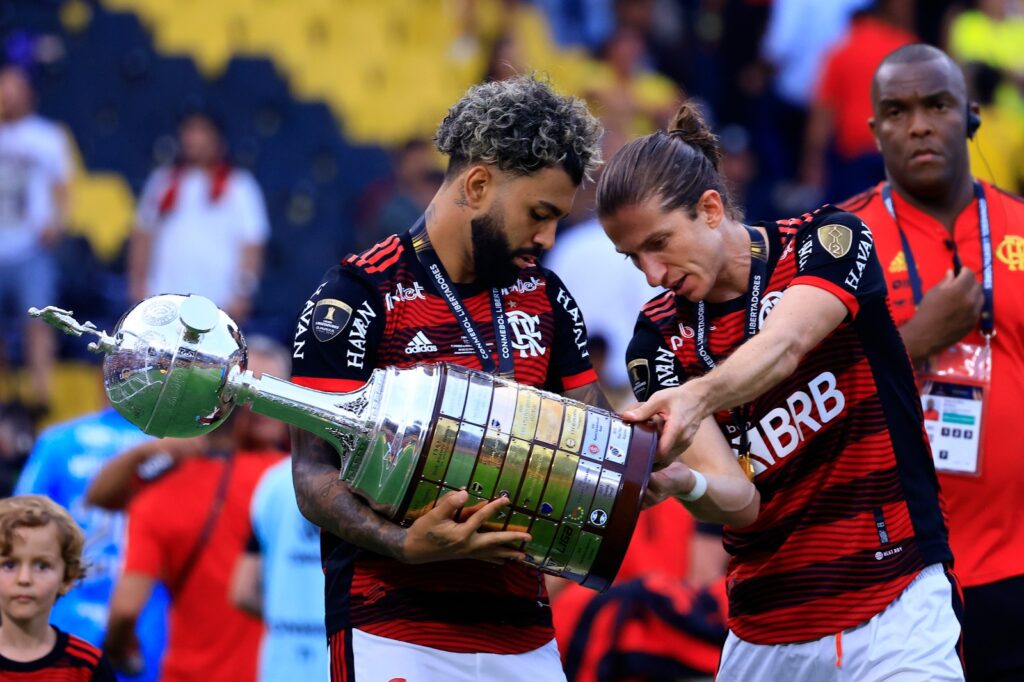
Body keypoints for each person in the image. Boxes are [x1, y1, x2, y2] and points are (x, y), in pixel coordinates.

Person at [596, 102, 961, 680]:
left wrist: (696, 398)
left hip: (894, 607)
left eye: (659, 243)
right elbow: (741, 502)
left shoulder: (828, 238)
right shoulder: (655, 338)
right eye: (632, 257)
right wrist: (679, 482)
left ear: (710, 208)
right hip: (764, 631)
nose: (651, 273)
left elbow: (788, 343)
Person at [289, 75, 603, 681]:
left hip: (526, 636)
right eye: (539, 214)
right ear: (479, 184)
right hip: (395, 629)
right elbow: (311, 475)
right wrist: (405, 545)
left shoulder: (547, 296)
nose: (547, 239)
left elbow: (595, 443)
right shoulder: (357, 294)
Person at [840, 43, 1024, 681]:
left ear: (971, 116)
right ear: (873, 130)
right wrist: (915, 336)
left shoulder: (1022, 228)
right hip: (896, 573)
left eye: (937, 105)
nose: (918, 124)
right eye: (898, 110)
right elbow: (803, 390)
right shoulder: (836, 246)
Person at [102, 340, 290, 682]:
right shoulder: (296, 486)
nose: (266, 410)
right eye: (257, 396)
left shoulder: (164, 487)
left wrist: (117, 650)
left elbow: (125, 609)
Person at [15, 399, 167, 681]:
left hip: (68, 616)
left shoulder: (60, 439)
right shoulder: (179, 447)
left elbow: (18, 527)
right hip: (149, 623)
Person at [128, 111, 269, 325]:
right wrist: (137, 284)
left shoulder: (240, 185)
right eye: (189, 131)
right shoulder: (162, 181)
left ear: (218, 141)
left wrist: (243, 293)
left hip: (218, 305)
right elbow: (142, 236)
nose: (194, 138)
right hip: (163, 303)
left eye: (202, 131)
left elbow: (252, 245)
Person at [0, 65, 71, 409]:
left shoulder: (47, 136)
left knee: (38, 321)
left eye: (14, 86)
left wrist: (56, 224)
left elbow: (62, 187)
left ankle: (41, 393)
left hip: (31, 246)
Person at [230, 457, 328, 682]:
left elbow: (243, 592)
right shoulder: (359, 482)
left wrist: (284, 611)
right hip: (341, 660)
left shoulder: (273, 482)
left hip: (282, 666)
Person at [0, 495, 115, 681]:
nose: (24, 579)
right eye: (9, 565)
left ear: (67, 579)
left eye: (42, 566)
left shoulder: (87, 666)